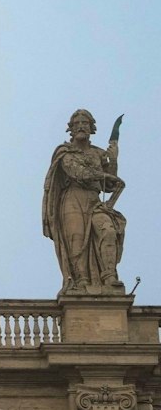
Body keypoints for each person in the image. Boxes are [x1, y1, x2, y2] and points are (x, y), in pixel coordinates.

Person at [42, 108, 126, 294]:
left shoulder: (98, 154)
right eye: (77, 124)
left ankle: (109, 278)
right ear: (71, 129)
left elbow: (109, 185)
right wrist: (102, 174)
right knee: (76, 242)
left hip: (94, 201)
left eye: (85, 123)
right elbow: (76, 172)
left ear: (91, 128)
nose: (81, 126)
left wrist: (113, 161)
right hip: (72, 199)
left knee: (108, 231)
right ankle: (81, 283)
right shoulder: (64, 152)